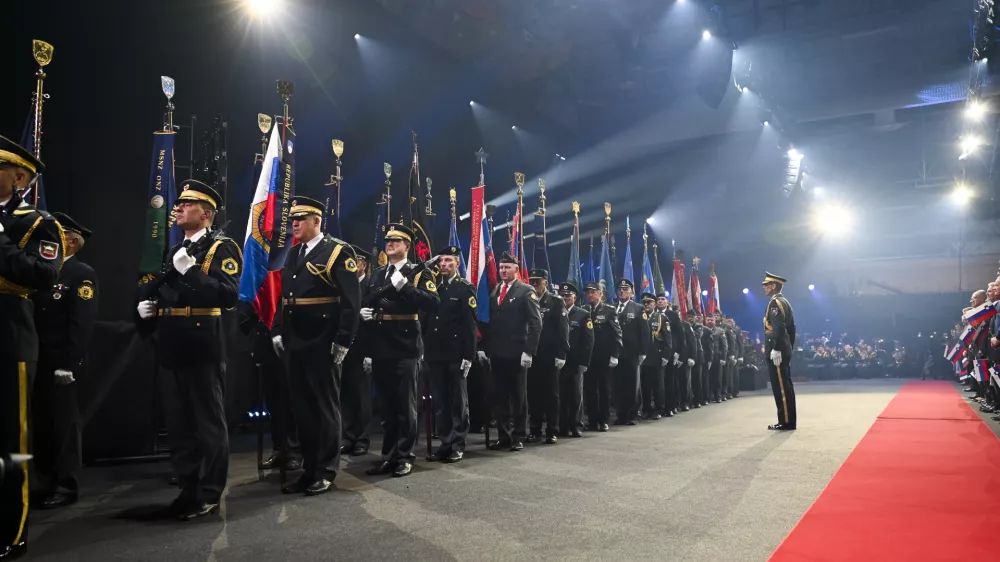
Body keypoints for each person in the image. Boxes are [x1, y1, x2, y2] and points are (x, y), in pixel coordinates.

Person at [135, 179, 242, 520]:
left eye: (186, 204)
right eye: (178, 203)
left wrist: (192, 271)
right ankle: (188, 486)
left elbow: (227, 296)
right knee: (179, 424)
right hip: (172, 342)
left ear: (206, 213)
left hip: (202, 345)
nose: (178, 208)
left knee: (207, 424)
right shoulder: (175, 250)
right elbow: (170, 293)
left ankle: (209, 492)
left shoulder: (223, 247)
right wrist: (148, 311)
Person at [0, 136, 63, 560]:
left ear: (18, 176)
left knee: (10, 441)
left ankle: (11, 527)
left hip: (9, 335)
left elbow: (43, 273)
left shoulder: (39, 224)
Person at [271, 196, 360, 494]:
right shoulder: (294, 254)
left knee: (325, 408)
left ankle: (325, 470)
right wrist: (277, 329)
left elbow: (351, 302)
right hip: (295, 341)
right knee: (303, 409)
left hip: (323, 340)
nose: (294, 223)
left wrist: (343, 340)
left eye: (300, 219)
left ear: (316, 221)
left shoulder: (337, 251)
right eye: (292, 219)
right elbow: (285, 297)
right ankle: (309, 469)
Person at [361, 223, 439, 477]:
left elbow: (432, 303)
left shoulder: (418, 273)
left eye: (396, 240)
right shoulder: (378, 273)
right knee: (387, 406)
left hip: (406, 346)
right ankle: (389, 455)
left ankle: (405, 456)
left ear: (407, 246)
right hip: (381, 344)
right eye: (388, 240)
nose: (390, 243)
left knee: (406, 406)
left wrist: (405, 287)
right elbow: (369, 299)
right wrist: (366, 312)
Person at [32, 212, 97, 509]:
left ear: (70, 242)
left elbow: (81, 323)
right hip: (37, 358)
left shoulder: (81, 273)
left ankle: (65, 485)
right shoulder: (41, 271)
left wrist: (70, 364)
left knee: (64, 426)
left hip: (62, 361)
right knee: (42, 424)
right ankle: (44, 481)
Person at [424, 246, 477, 462]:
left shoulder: (465, 288)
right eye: (441, 261)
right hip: (436, 353)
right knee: (440, 401)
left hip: (457, 354)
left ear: (457, 263)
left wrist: (469, 355)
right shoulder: (434, 287)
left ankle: (458, 444)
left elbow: (470, 325)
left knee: (458, 402)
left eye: (448, 261)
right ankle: (445, 442)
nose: (443, 264)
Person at [485, 253, 542, 451]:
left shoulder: (526, 291)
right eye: (501, 268)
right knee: (500, 397)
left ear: (516, 269)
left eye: (507, 267)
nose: (503, 271)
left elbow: (536, 323)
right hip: (498, 353)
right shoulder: (495, 291)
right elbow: (491, 323)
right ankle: (503, 436)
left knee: (519, 397)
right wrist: (486, 348)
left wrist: (529, 351)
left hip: (518, 353)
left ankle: (518, 435)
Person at [527, 269, 569, 444]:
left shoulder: (555, 301)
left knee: (551, 395)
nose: (535, 284)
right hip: (533, 354)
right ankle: (535, 429)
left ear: (546, 282)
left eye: (538, 281)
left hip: (550, 354)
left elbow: (563, 329)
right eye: (532, 281)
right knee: (533, 393)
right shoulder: (528, 298)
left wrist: (561, 354)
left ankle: (552, 430)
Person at [341, 244, 373, 457]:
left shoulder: (371, 286)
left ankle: (362, 439)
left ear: (364, 265)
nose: (354, 265)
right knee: (346, 395)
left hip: (363, 349)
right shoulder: (344, 285)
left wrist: (371, 353)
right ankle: (349, 436)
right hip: (345, 348)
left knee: (361, 397)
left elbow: (374, 324)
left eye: (358, 261)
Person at [557, 282, 594, 438]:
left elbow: (588, 341)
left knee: (576, 395)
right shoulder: (556, 311)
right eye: (563, 296)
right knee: (560, 394)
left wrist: (584, 363)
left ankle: (576, 425)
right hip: (559, 360)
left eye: (568, 296)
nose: (565, 298)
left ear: (575, 297)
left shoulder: (583, 314)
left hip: (575, 361)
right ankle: (563, 426)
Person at [761, 272, 797, 430]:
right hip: (784, 347)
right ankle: (786, 420)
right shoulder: (785, 302)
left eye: (766, 285)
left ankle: (786, 421)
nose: (764, 288)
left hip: (777, 349)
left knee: (781, 386)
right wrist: (789, 346)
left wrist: (776, 348)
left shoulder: (775, 303)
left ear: (773, 286)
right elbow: (792, 329)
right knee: (785, 385)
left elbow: (779, 328)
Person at [584, 283, 622, 432]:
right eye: (588, 293)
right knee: (590, 389)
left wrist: (615, 354)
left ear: (600, 293)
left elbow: (617, 333)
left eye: (593, 292)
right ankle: (592, 420)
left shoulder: (609, 310)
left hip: (604, 356)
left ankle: (604, 419)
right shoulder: (585, 309)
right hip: (589, 356)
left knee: (604, 388)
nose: (590, 295)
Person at [612, 279, 649, 425]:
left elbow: (645, 332)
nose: (622, 291)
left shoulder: (638, 308)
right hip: (616, 353)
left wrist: (643, 352)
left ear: (632, 292)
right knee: (618, 384)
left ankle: (634, 413)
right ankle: (621, 413)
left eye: (625, 288)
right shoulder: (612, 307)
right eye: (620, 288)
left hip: (632, 352)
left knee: (633, 384)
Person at [640, 293, 671, 420]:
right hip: (643, 357)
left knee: (658, 385)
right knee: (645, 385)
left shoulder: (661, 318)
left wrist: (666, 356)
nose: (647, 305)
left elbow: (668, 339)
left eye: (649, 302)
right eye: (645, 303)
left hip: (657, 356)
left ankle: (659, 409)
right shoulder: (641, 317)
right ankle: (646, 409)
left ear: (654, 304)